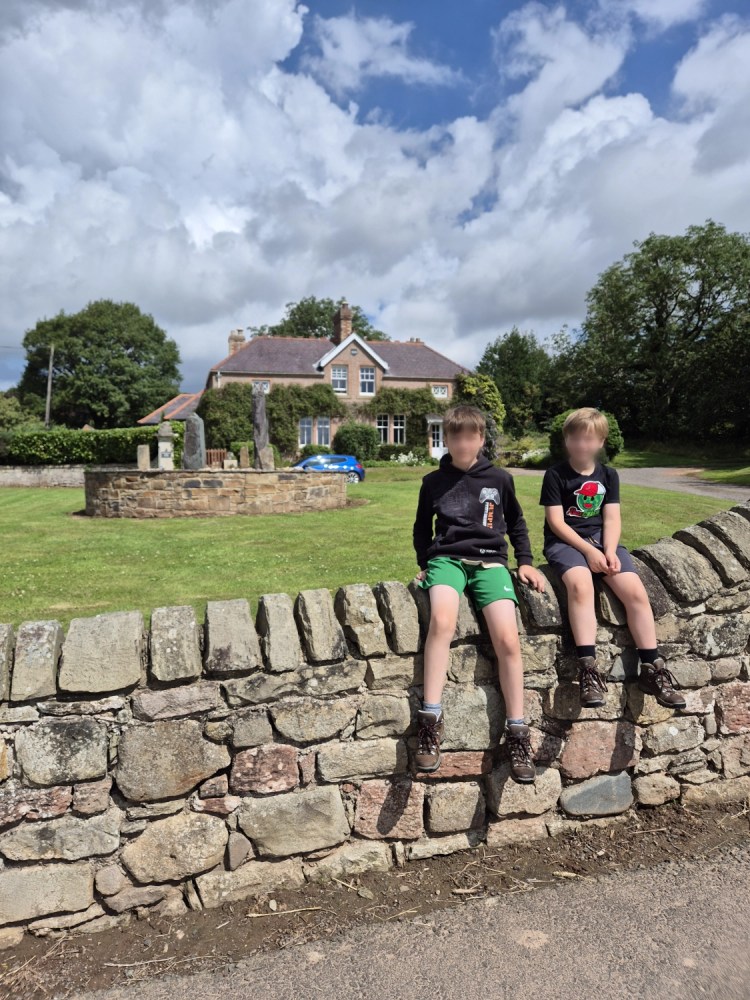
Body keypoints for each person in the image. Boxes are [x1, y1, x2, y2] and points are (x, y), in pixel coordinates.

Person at [412, 404, 546, 783]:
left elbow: (516, 523)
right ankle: (430, 720)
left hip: (490, 562)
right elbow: (422, 528)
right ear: (446, 439)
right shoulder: (432, 482)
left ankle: (517, 730)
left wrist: (525, 561)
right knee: (442, 622)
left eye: (470, 436)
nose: (463, 443)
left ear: (481, 439)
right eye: (455, 436)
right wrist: (425, 562)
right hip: (447, 561)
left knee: (508, 639)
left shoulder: (500, 479)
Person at [539, 407, 685, 710]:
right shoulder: (555, 475)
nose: (582, 445)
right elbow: (556, 522)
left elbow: (612, 519)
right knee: (580, 584)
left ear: (601, 442)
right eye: (576, 438)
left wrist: (608, 550)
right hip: (565, 542)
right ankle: (588, 670)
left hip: (602, 542)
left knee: (635, 592)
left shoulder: (609, 475)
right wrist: (588, 551)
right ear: (567, 440)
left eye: (589, 439)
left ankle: (652, 669)